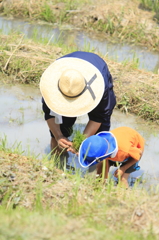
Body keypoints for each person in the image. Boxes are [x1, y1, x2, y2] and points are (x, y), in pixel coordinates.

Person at [40, 51, 116, 155]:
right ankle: (56, 165)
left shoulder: (101, 87)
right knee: (62, 127)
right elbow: (49, 113)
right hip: (67, 68)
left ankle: (97, 168)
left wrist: (81, 142)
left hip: (97, 68)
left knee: (99, 139)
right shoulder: (52, 86)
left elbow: (99, 117)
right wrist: (58, 136)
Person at [78, 126, 145, 188]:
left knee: (122, 179)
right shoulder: (101, 144)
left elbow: (138, 155)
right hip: (116, 143)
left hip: (134, 152)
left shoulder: (125, 151)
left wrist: (123, 169)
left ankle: (124, 194)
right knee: (101, 173)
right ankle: (100, 186)